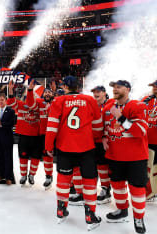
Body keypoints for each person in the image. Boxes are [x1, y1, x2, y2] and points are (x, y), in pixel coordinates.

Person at [45, 76, 103, 231]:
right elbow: (97, 124)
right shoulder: (90, 100)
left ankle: (61, 210)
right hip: (87, 147)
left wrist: (48, 146)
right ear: (78, 86)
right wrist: (97, 140)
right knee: (90, 180)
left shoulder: (58, 101)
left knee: (64, 179)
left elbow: (51, 126)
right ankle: (90, 214)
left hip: (65, 147)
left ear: (64, 87)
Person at [103, 80, 148, 233]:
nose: (115, 89)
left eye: (119, 87)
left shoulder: (137, 105)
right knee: (117, 186)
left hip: (136, 157)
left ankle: (138, 217)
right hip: (115, 156)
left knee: (136, 189)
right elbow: (105, 126)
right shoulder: (108, 107)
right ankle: (122, 210)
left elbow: (140, 131)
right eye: (114, 87)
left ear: (127, 89)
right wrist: (104, 137)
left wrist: (121, 118)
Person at [7, 80, 41, 186]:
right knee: (23, 157)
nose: (30, 97)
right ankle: (23, 175)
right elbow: (11, 103)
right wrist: (10, 90)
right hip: (24, 136)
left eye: (32, 95)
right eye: (28, 95)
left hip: (36, 136)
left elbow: (33, 104)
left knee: (35, 158)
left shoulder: (39, 106)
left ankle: (31, 175)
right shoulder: (21, 105)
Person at [25, 82, 56, 189]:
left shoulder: (57, 102)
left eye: (49, 92)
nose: (47, 94)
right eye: (46, 92)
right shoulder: (40, 102)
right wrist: (29, 90)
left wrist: (55, 93)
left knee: (59, 158)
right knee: (43, 156)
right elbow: (30, 104)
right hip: (43, 135)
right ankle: (43, 176)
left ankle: (68, 182)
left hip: (57, 135)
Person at [142, 80, 157, 202]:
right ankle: (150, 192)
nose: (154, 88)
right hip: (148, 140)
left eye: (156, 87)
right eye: (153, 87)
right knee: (148, 168)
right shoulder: (146, 100)